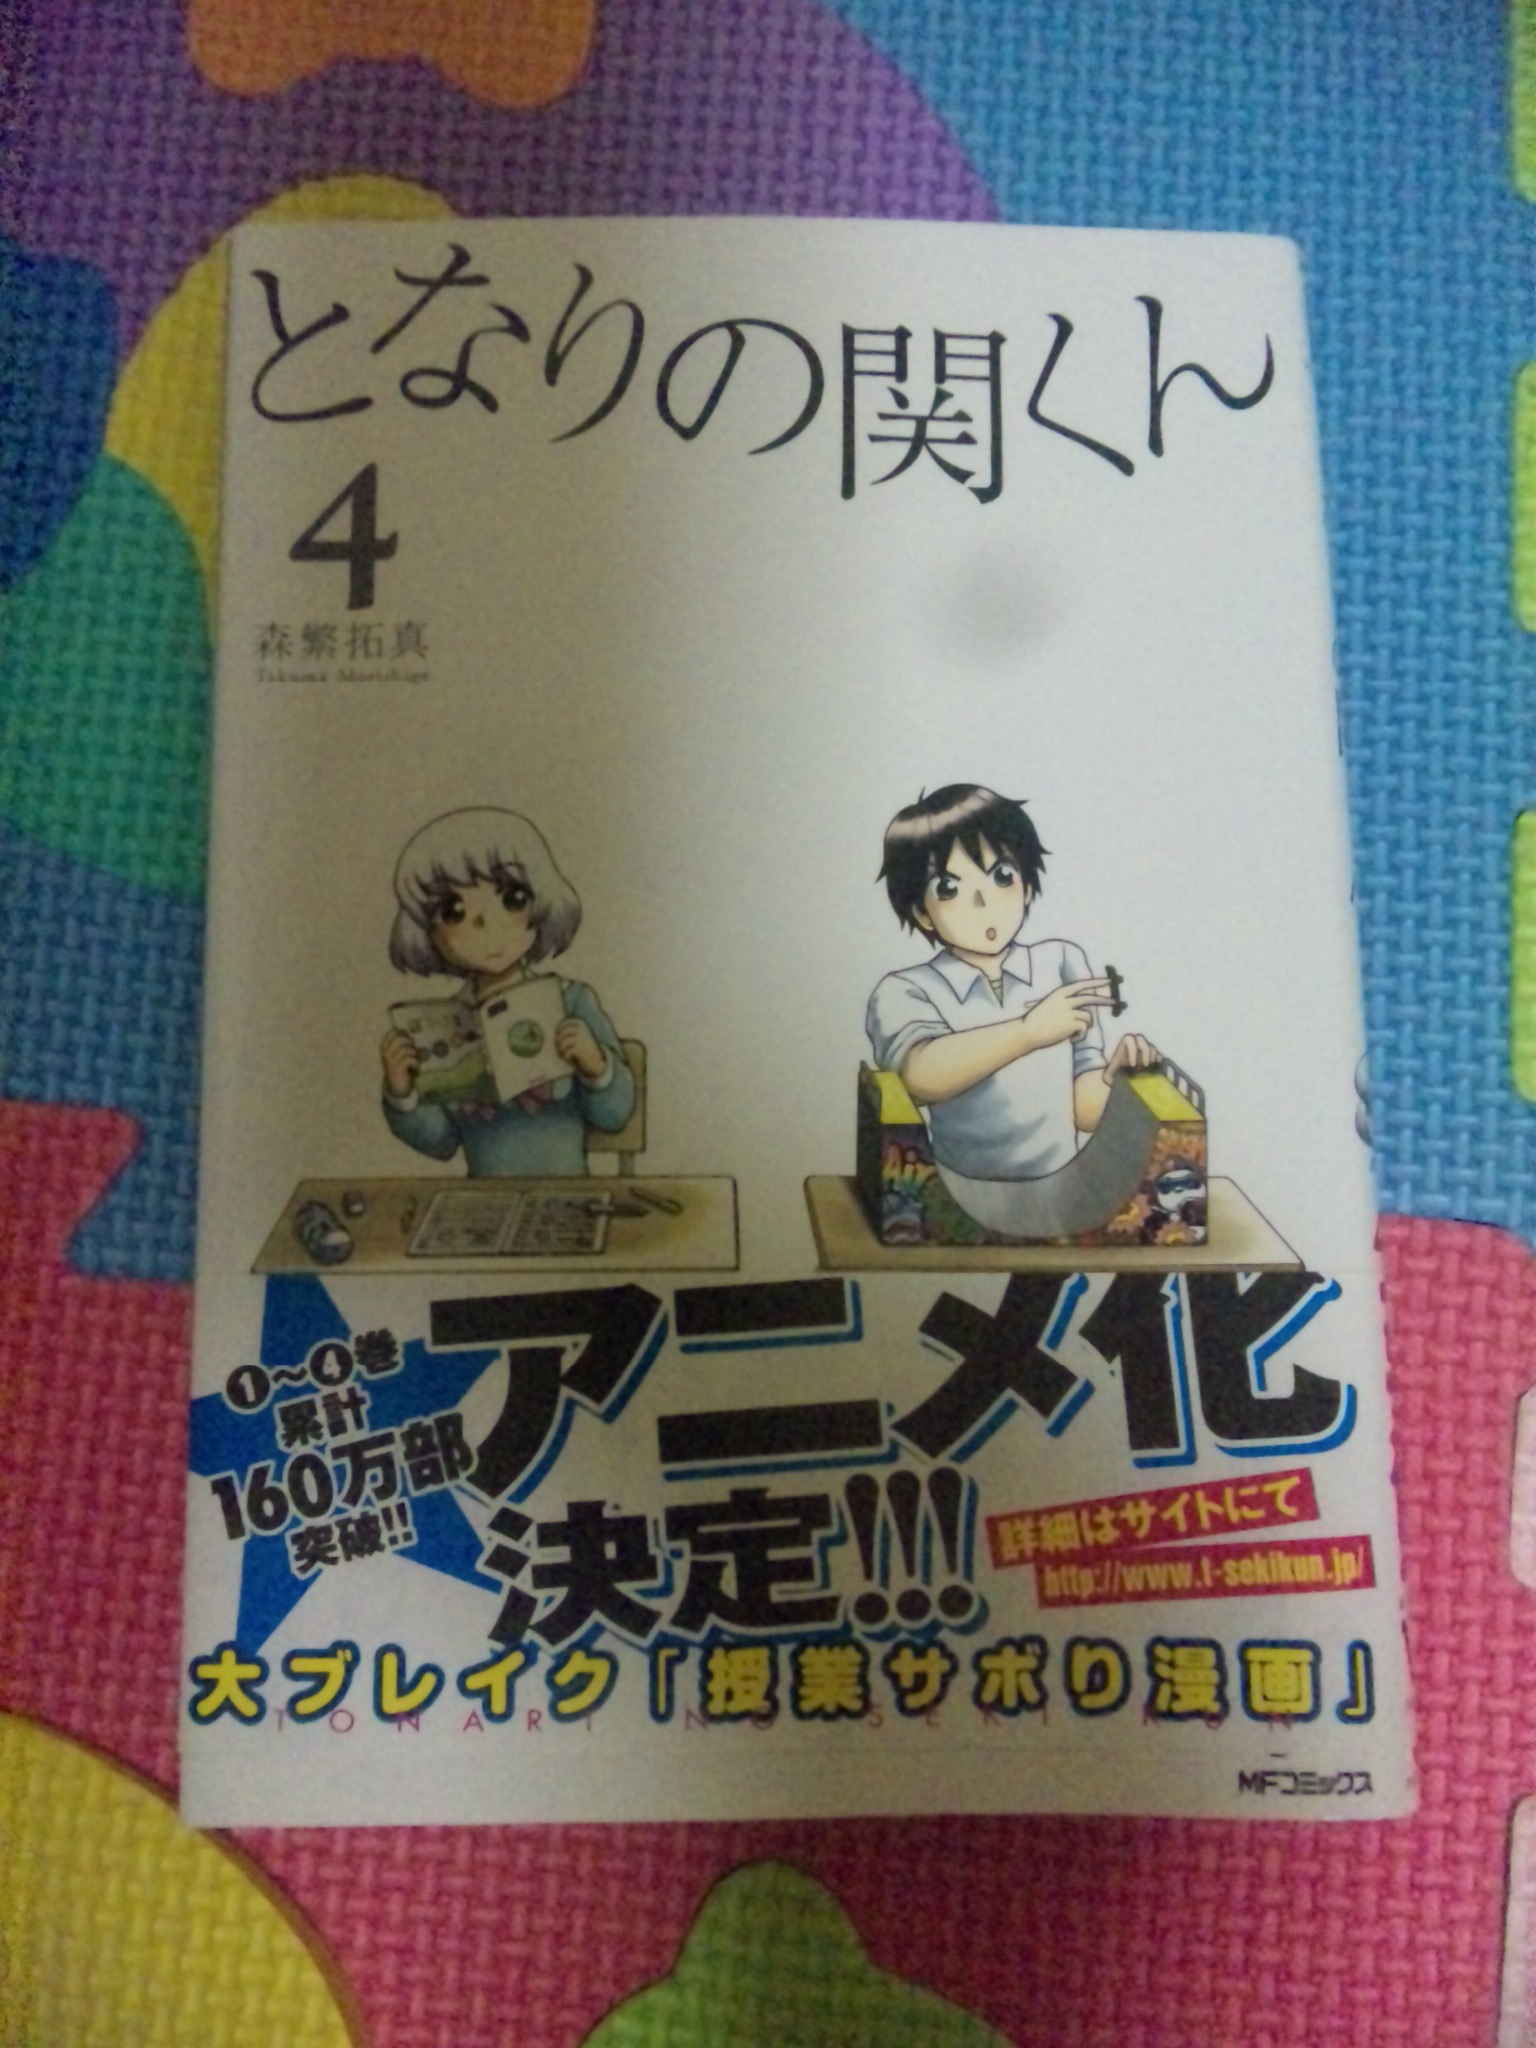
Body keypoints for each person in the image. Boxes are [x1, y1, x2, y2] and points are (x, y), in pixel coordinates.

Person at [866, 783, 1156, 1183]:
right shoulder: (905, 989)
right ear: (921, 912)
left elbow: (1083, 1109)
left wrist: (1115, 1081)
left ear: (1027, 884)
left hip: (1061, 1189)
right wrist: (1028, 1032)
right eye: (949, 888)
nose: (983, 903)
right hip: (962, 1196)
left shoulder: (1062, 962)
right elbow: (919, 1077)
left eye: (1002, 876)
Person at [380, 807, 633, 1176]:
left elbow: (615, 1115)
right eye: (454, 910)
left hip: (569, 1194)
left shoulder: (571, 1001)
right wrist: (402, 1092)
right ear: (426, 932)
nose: (487, 923)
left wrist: (597, 1066)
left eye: (513, 898)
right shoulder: (442, 1026)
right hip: (484, 1200)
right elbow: (440, 1142)